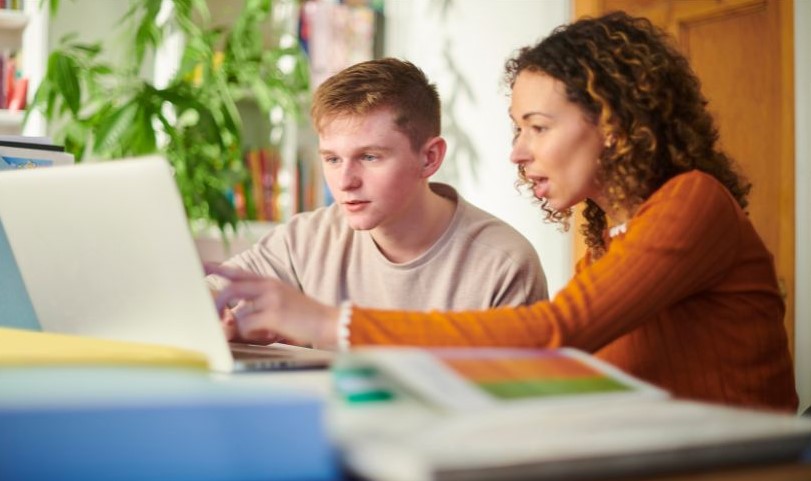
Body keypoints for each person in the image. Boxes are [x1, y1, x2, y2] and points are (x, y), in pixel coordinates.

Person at [207, 13, 797, 412]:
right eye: (519, 129)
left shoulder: (692, 202)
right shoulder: (610, 236)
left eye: (537, 128)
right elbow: (568, 372)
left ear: (613, 126)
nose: (517, 151)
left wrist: (324, 324)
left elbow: (552, 334)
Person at [208, 58, 548, 343]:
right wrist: (222, 323)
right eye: (332, 159)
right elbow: (206, 297)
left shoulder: (503, 264)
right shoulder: (305, 240)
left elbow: (509, 405)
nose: (345, 181)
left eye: (369, 157)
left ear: (429, 158)